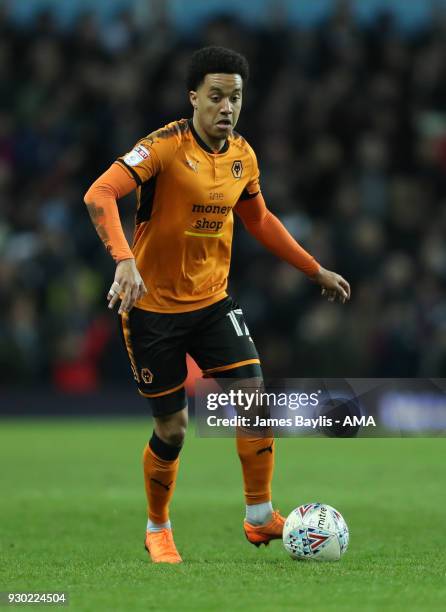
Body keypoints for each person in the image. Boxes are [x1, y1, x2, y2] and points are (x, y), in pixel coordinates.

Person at [84, 46, 351, 564]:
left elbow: (259, 220)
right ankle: (158, 527)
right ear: (193, 98)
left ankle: (259, 517)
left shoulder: (242, 156)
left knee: (253, 400)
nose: (226, 106)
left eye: (235, 97)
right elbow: (99, 194)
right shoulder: (162, 146)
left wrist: (314, 269)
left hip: (211, 302)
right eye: (215, 96)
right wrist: (123, 259)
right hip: (152, 309)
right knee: (174, 428)